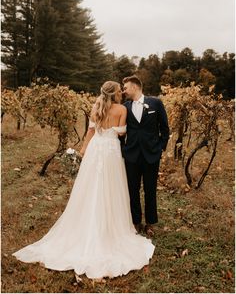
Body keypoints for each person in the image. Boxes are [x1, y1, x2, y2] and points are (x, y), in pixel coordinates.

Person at [12, 81, 155, 280]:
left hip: (96, 148)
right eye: (119, 91)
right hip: (112, 150)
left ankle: (87, 218)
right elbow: (123, 133)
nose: (122, 93)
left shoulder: (96, 106)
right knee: (112, 187)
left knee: (90, 186)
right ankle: (111, 224)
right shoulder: (122, 109)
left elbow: (90, 131)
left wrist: (82, 150)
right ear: (114, 94)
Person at [122, 75, 169, 237]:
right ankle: (136, 222)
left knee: (150, 190)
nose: (124, 91)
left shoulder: (155, 103)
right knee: (132, 190)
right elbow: (121, 131)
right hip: (131, 155)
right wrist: (123, 150)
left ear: (135, 87)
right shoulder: (125, 106)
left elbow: (165, 128)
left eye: (126, 87)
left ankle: (150, 223)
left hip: (151, 155)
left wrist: (160, 148)